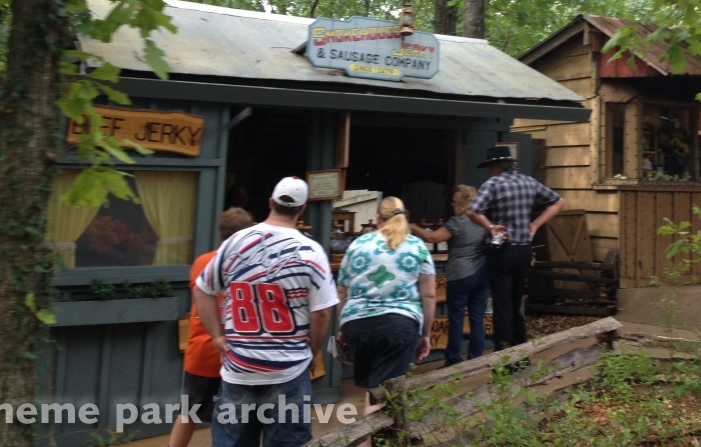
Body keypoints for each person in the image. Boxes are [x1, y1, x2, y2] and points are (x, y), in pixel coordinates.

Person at [195, 177, 338, 447]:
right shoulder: (311, 252)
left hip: (239, 368)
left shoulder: (234, 242)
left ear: (271, 203)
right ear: (302, 209)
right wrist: (313, 351)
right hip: (288, 370)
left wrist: (217, 336)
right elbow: (321, 313)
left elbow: (203, 290)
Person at [336, 197, 436, 443]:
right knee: (385, 393)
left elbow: (341, 291)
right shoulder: (417, 246)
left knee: (374, 388)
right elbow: (430, 293)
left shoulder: (357, 244)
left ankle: (372, 440)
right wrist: (425, 333)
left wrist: (343, 327)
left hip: (357, 324)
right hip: (399, 325)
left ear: (378, 219)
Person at [170, 207, 255, 447]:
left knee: (188, 412)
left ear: (220, 234)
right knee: (238, 418)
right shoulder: (252, 266)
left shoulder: (202, 262)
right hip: (237, 354)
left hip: (201, 350)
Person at [467, 146, 565, 350]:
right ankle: (522, 354)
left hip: (502, 251)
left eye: (489, 167)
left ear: (495, 166)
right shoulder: (529, 181)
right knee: (516, 302)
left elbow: (473, 211)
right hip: (523, 251)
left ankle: (504, 358)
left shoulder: (493, 184)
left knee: (502, 306)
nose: (489, 171)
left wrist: (491, 227)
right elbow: (558, 202)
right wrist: (536, 224)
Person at [410, 185, 489, 366]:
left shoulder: (457, 222)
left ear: (462, 202)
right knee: (478, 317)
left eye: (454, 201)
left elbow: (433, 238)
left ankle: (453, 359)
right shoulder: (484, 221)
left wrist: (413, 226)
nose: (452, 204)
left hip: (460, 275)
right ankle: (475, 359)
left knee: (456, 318)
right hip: (482, 273)